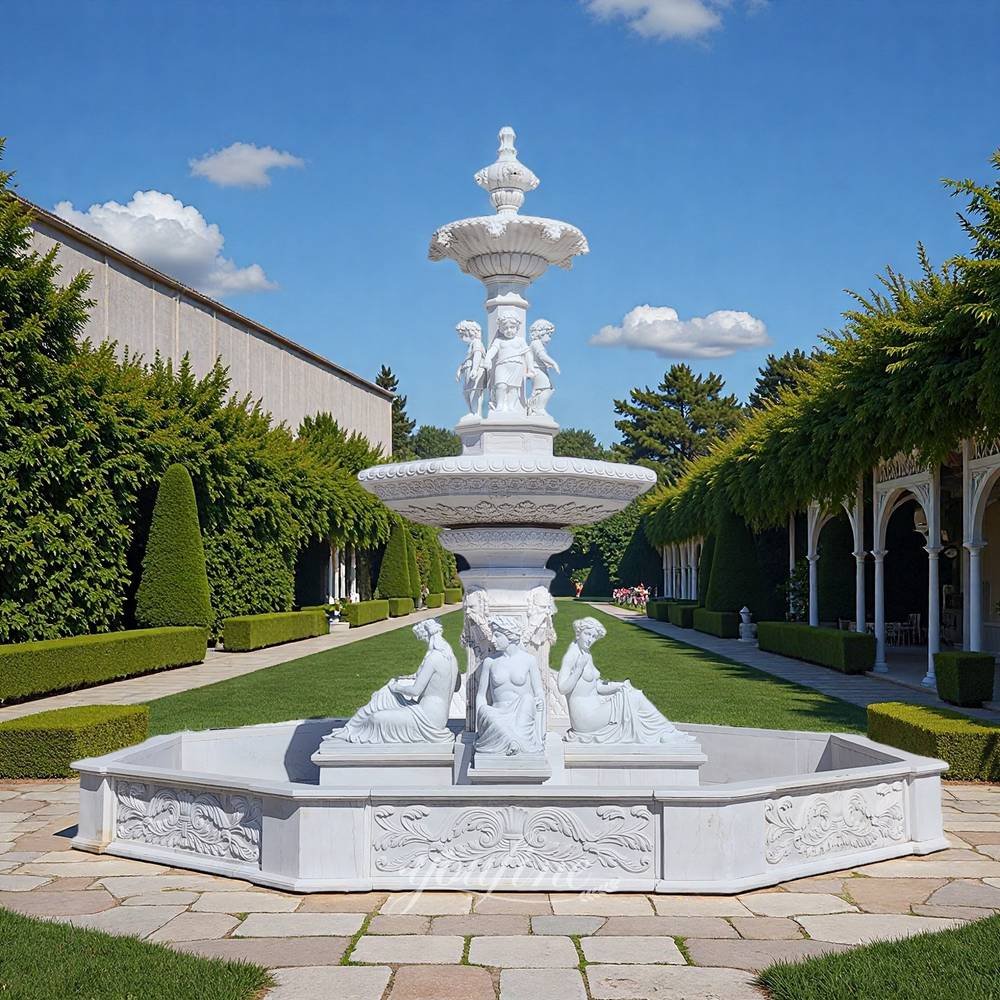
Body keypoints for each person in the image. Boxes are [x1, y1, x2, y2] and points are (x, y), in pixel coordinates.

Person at [558, 617, 694, 745]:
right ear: (578, 633)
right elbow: (562, 688)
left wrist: (618, 686)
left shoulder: (585, 653)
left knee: (629, 693)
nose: (590, 640)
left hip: (595, 710)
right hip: (585, 718)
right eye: (587, 634)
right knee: (634, 697)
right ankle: (666, 732)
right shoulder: (572, 655)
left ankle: (666, 731)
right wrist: (578, 670)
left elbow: (596, 686)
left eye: (593, 637)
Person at [332, 619, 459, 744]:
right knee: (384, 696)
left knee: (376, 717)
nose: (423, 642)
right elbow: (455, 686)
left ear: (428, 635)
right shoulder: (451, 657)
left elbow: (415, 691)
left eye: (423, 639)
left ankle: (351, 731)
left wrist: (396, 687)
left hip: (427, 719)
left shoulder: (433, 658)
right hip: (437, 715)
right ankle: (350, 727)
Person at [474, 621, 545, 756]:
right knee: (484, 710)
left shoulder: (529, 660)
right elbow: (481, 695)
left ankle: (514, 741)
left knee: (528, 698)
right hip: (497, 713)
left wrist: (540, 702)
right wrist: (480, 721)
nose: (493, 640)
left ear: (510, 636)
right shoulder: (490, 662)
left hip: (521, 714)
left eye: (497, 636)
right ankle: (514, 741)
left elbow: (538, 691)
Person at [483, 315, 535, 414]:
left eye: (512, 327)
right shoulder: (499, 341)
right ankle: (500, 405)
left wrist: (530, 368)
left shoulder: (520, 340)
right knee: (500, 385)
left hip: (517, 366)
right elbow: (492, 350)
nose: (509, 330)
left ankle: (511, 407)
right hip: (501, 365)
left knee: (513, 388)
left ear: (517, 328)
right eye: (505, 328)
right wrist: (488, 359)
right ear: (501, 329)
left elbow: (528, 354)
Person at [527, 320, 560, 416]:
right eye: (548, 335)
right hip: (537, 370)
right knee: (546, 388)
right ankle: (537, 408)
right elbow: (541, 355)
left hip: (540, 369)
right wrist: (554, 363)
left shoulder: (536, 344)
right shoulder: (536, 343)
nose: (549, 338)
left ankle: (534, 406)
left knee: (546, 388)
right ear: (541, 333)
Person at [455, 320, 486, 417]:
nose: (460, 338)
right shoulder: (471, 345)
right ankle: (472, 412)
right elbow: (467, 359)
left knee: (474, 391)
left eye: (462, 335)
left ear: (469, 332)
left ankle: (475, 412)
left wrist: (475, 369)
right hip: (470, 370)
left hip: (475, 370)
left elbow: (477, 354)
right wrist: (460, 370)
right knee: (467, 393)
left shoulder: (476, 343)